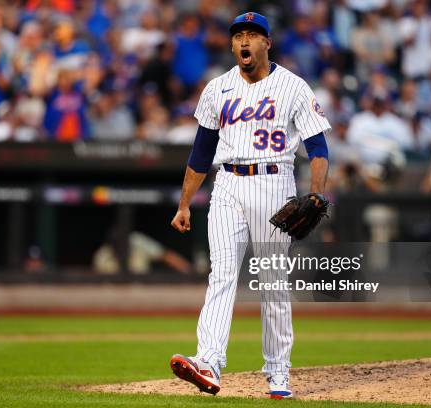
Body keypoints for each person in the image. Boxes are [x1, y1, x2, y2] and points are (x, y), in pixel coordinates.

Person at [169, 12, 330, 399]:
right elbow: (201, 152)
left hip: (274, 183)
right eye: (238, 35)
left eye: (253, 36)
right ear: (231, 44)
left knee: (271, 282)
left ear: (266, 43)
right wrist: (184, 204)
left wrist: (316, 192)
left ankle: (278, 372)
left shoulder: (292, 86)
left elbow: (318, 147)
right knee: (221, 274)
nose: (244, 41)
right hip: (226, 185)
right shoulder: (216, 89)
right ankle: (208, 361)